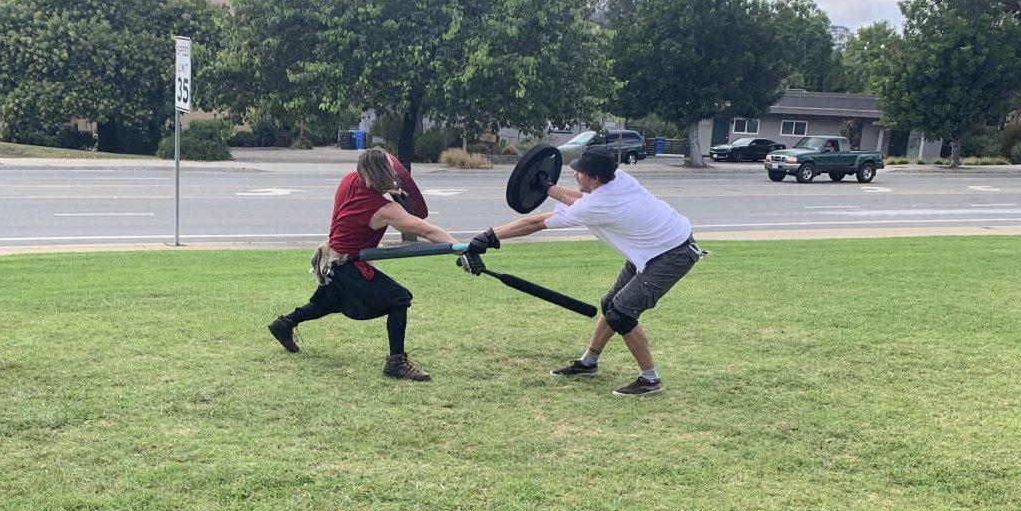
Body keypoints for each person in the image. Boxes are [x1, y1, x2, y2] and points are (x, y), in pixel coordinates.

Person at [462, 144, 703, 396]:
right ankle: (589, 363)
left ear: (595, 177)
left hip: (671, 255)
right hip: (651, 247)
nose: (575, 175)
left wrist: (489, 236)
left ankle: (650, 379)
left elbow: (536, 223)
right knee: (610, 304)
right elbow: (580, 197)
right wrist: (546, 187)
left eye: (580, 172)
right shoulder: (619, 179)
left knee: (621, 314)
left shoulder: (597, 206)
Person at [268, 146, 456, 381]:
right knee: (399, 299)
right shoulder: (385, 209)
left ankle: (283, 324)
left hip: (332, 258)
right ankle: (396, 363)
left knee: (328, 302)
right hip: (347, 265)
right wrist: (459, 248)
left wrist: (391, 189)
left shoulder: (350, 179)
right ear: (386, 175)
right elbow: (426, 230)